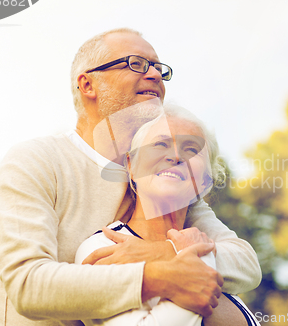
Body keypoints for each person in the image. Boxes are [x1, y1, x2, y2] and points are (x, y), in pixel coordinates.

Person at [0, 28, 261, 326]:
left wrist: (163, 252)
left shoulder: (162, 181)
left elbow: (244, 263)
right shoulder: (36, 160)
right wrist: (157, 276)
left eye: (158, 67)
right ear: (88, 84)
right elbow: (28, 285)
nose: (155, 74)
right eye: (136, 64)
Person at [75, 105, 260, 326]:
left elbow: (249, 266)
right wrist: (196, 259)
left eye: (191, 149)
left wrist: (179, 252)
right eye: (160, 144)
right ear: (132, 166)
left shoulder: (211, 249)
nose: (175, 156)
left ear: (205, 182)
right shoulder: (104, 246)